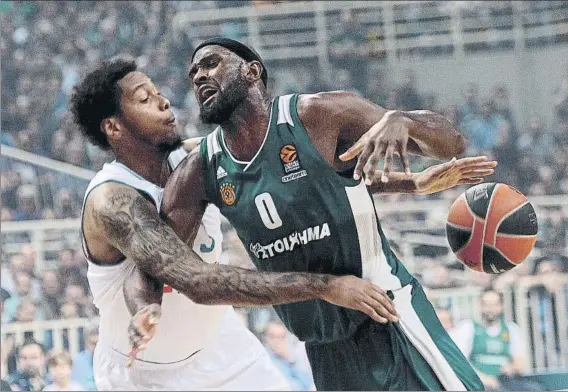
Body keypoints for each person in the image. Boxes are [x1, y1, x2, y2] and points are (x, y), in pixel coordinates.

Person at [131, 37, 496, 391]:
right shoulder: (201, 169)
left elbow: (452, 143)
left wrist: (405, 121)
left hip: (388, 319)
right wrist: (145, 307)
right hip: (322, 348)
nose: (199, 76)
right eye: (193, 72)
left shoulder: (317, 115)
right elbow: (159, 260)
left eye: (211, 64)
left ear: (252, 71)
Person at [71, 57, 399, 390]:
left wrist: (409, 182)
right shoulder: (111, 201)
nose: (164, 101)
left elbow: (308, 174)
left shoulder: (200, 159)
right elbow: (198, 282)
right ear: (113, 127)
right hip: (145, 373)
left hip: (222, 347)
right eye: (144, 99)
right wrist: (327, 286)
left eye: (157, 92)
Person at [451, 289, 541, 391]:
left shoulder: (511, 328)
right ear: (480, 306)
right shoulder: (468, 327)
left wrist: (512, 367)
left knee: (535, 388)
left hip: (505, 380)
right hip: (479, 381)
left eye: (495, 305)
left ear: (501, 306)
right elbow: (461, 362)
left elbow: (520, 362)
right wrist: (483, 378)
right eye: (486, 305)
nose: (490, 309)